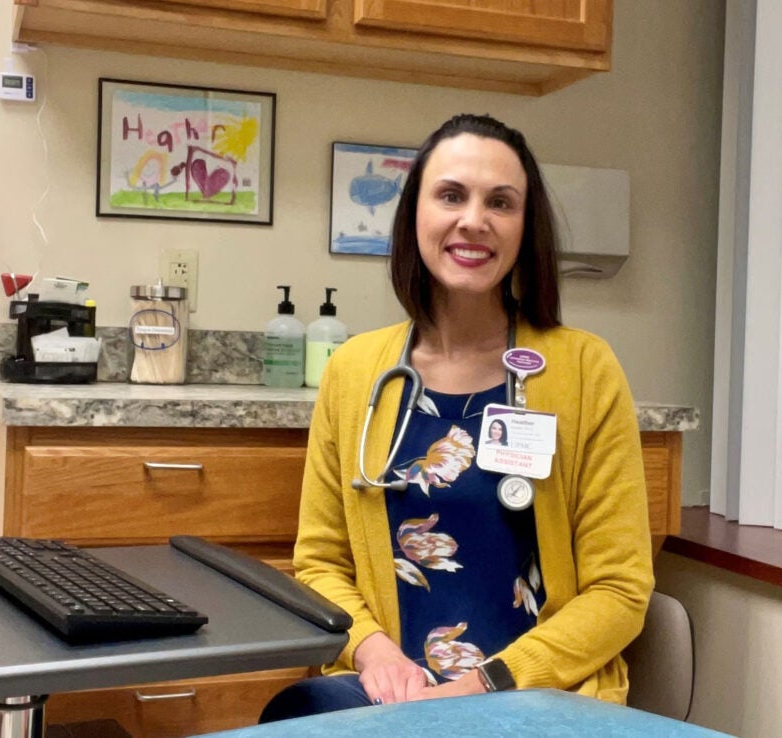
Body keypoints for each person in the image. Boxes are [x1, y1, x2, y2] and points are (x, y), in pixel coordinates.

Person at [259, 114, 653, 722]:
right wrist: (375, 654)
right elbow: (321, 562)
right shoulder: (355, 370)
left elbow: (620, 592)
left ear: (526, 228)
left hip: (535, 693)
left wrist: (482, 685)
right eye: (450, 195)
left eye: (501, 202)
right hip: (388, 691)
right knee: (292, 712)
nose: (474, 219)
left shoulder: (583, 370)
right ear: (415, 212)